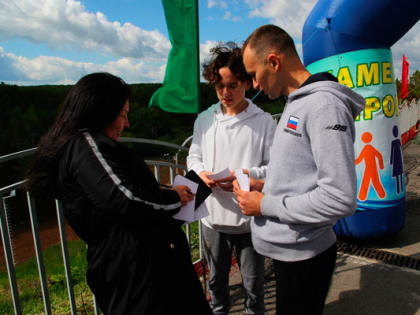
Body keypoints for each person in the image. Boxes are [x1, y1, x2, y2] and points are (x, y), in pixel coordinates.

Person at [26, 72, 212, 315]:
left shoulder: (85, 146)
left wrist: (168, 191)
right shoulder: (86, 146)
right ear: (101, 111)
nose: (127, 124)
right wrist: (174, 198)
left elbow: (119, 192)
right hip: (138, 279)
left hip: (142, 273)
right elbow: (126, 200)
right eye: (123, 114)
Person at [234, 24, 365, 315]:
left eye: (254, 75)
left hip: (305, 255)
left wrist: (265, 204)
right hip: (292, 252)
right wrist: (260, 184)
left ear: (274, 61)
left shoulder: (323, 106)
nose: (255, 85)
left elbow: (339, 197)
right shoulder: (298, 103)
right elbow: (300, 171)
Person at [187, 42, 277, 315]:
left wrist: (245, 176)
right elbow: (194, 155)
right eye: (219, 86)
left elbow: (274, 168)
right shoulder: (205, 119)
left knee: (253, 284)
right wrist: (201, 173)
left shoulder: (263, 122)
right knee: (215, 281)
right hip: (212, 219)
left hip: (249, 220)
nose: (225, 92)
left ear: (248, 83)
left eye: (233, 85)